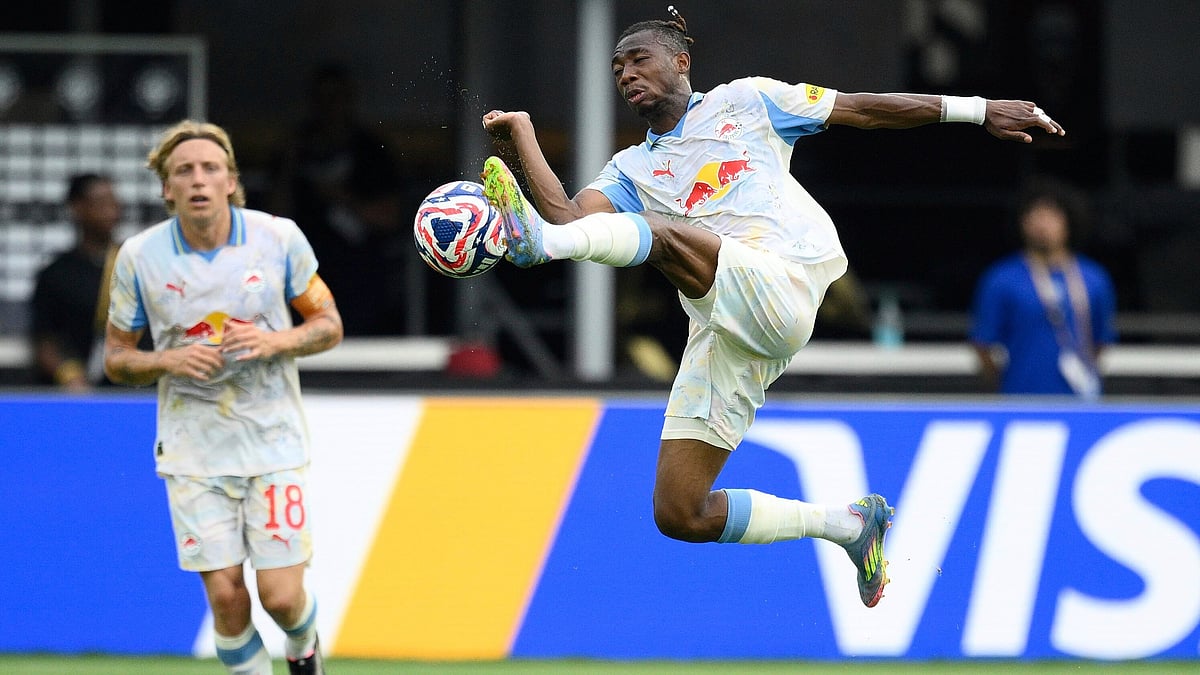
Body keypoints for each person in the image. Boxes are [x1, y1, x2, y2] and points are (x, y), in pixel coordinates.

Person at [479, 6, 1065, 608]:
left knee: (650, 231)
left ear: (681, 62)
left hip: (783, 280)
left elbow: (863, 108)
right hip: (724, 325)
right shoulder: (631, 168)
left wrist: (979, 109)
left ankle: (532, 250)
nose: (626, 74)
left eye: (639, 59)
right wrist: (523, 134)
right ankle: (848, 526)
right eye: (617, 66)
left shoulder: (749, 101)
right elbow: (572, 221)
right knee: (681, 511)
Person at [104, 120, 342, 675]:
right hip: (193, 451)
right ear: (166, 188)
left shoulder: (277, 239)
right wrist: (166, 358)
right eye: (183, 171)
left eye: (211, 168)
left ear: (232, 180)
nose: (198, 179)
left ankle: (303, 648)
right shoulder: (139, 258)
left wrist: (274, 339)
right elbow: (116, 357)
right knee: (227, 599)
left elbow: (328, 325)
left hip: (272, 440)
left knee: (281, 597)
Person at [970, 178, 1117, 398]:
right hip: (1020, 396)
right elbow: (982, 343)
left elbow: (1101, 340)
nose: (1042, 225)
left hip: (1080, 399)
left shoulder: (1094, 278)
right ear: (1022, 223)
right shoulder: (1002, 278)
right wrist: (1006, 382)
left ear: (1069, 221)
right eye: (1035, 217)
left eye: (1051, 216)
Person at [29, 173, 121, 390]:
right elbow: (44, 342)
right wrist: (68, 374)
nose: (110, 211)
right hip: (78, 394)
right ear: (77, 208)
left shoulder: (137, 264)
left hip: (135, 393)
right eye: (100, 203)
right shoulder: (56, 274)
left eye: (114, 203)